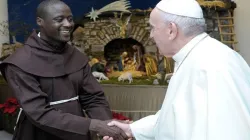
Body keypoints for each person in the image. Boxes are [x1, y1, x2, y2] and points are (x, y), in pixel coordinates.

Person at [104, 0, 250, 140]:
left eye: (153, 28)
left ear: (171, 30)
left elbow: (232, 133)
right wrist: (132, 129)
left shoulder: (213, 65)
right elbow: (175, 118)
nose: (151, 35)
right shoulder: (192, 57)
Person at [0, 0, 127, 140]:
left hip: (78, 131)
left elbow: (93, 98)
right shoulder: (20, 62)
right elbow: (39, 113)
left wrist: (106, 125)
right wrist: (94, 125)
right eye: (59, 19)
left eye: (70, 19)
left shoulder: (76, 56)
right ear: (40, 21)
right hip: (38, 133)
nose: (68, 24)